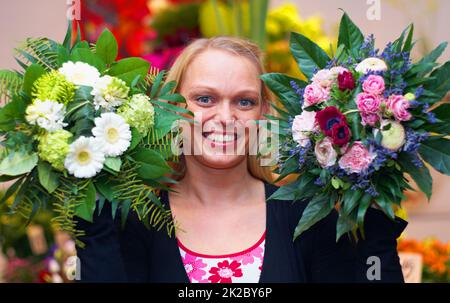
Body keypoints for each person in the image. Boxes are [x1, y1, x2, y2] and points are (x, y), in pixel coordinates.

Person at [76, 36, 407, 283]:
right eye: (205, 99)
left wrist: (374, 204)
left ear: (264, 111)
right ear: (172, 105)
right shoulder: (132, 220)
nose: (225, 116)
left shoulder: (307, 218)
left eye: (244, 102)